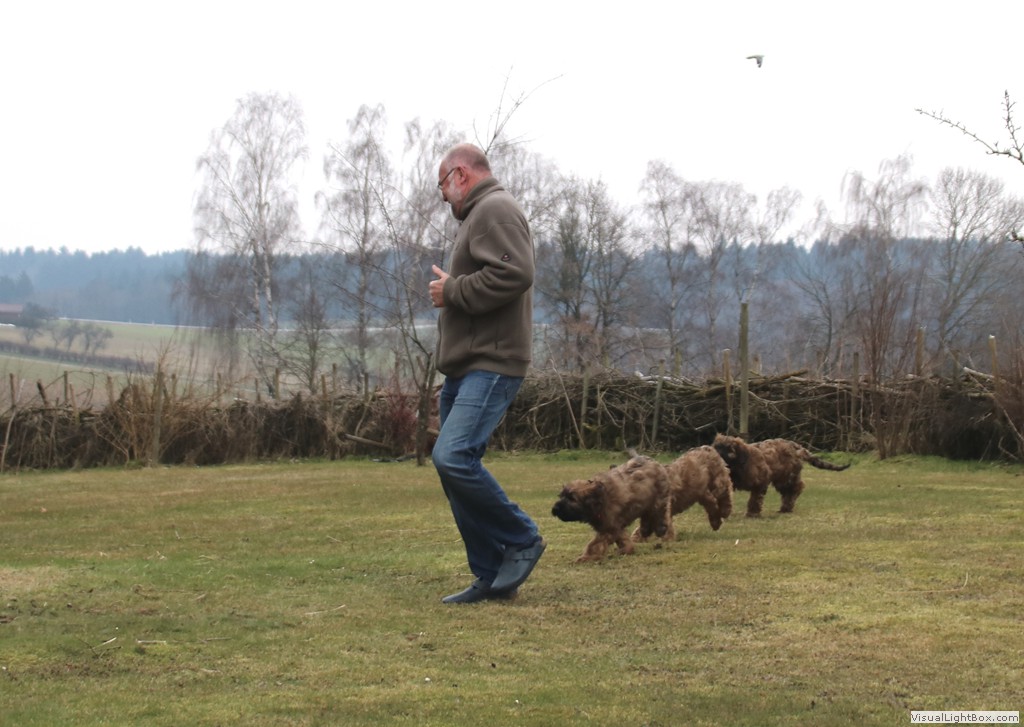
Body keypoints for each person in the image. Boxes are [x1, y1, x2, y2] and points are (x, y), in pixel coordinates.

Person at [428, 143, 545, 604]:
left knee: (453, 457)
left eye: (442, 184)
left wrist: (453, 291)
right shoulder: (479, 215)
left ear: (460, 174)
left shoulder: (495, 209)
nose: (442, 195)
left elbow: (516, 274)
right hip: (467, 364)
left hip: (491, 362)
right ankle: (492, 573)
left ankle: (521, 538)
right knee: (453, 469)